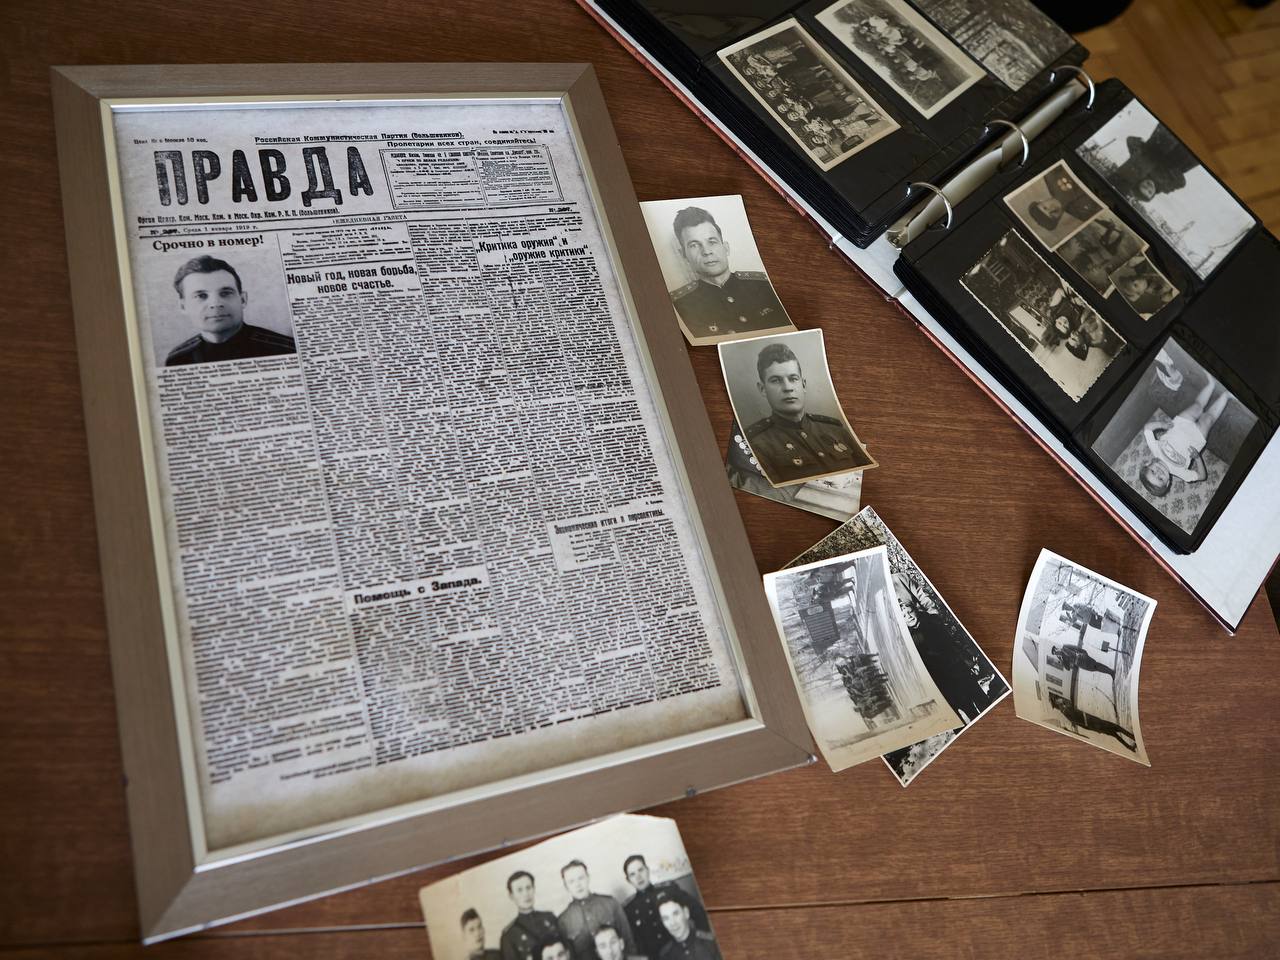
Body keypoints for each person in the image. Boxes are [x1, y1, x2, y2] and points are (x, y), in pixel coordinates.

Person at [742, 342, 865, 484]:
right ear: (763, 389)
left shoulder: (836, 430)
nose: (787, 388)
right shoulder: (756, 444)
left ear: (803, 384)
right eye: (776, 380)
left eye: (793, 379)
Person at [668, 207, 788, 338]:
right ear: (683, 254)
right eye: (694, 245)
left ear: (726, 248)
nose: (706, 251)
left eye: (712, 242)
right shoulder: (677, 305)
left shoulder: (766, 284)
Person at [165, 255, 296, 365]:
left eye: (225, 293)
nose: (215, 304)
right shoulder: (178, 359)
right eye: (201, 296)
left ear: (243, 300)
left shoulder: (286, 349)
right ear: (183, 306)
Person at [1139, 375, 1230, 496]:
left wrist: (1162, 425)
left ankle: (1211, 385)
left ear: (1147, 464)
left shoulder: (1155, 450)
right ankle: (1226, 395)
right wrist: (1197, 458)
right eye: (1160, 478)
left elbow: (1147, 428)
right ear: (1168, 482)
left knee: (1197, 406)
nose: (1159, 473)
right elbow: (1202, 476)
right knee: (1209, 418)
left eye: (1153, 472)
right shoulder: (1180, 473)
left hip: (1180, 425)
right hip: (1196, 438)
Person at [622, 855, 710, 960]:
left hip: (683, 953)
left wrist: (701, 943)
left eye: (641, 870)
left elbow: (698, 911)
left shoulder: (669, 890)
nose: (638, 877)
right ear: (628, 880)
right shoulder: (629, 909)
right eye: (632, 874)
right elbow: (636, 943)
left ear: (647, 870)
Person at [556, 861, 635, 960]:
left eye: (581, 878)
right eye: (571, 881)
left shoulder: (610, 903)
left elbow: (628, 940)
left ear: (588, 878)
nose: (578, 884)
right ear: (566, 886)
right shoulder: (564, 920)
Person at [1111, 124, 1197, 203]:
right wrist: (1170, 169)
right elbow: (1181, 183)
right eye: (1149, 192)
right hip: (1184, 156)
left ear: (1139, 182)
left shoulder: (1141, 166)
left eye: (1144, 187)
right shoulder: (1166, 187)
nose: (1149, 187)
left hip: (1164, 139)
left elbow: (1130, 140)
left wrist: (1142, 145)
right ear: (1153, 195)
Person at [1048, 692, 1137, 751]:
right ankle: (1132, 737)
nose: (1059, 698)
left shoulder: (1064, 710)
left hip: (1092, 724)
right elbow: (1077, 718)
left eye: (1057, 697)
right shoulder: (1066, 710)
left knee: (1115, 734)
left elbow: (1077, 718)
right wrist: (1090, 723)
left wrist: (1091, 727)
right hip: (1093, 722)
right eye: (1057, 698)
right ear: (1057, 702)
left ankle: (1130, 747)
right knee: (1116, 728)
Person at [501, 871, 561, 960]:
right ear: (511, 896)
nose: (526, 894)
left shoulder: (550, 918)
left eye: (528, 888)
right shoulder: (509, 935)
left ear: (534, 889)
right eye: (519, 890)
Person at [1027, 167, 1101, 234]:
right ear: (1058, 219)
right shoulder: (1083, 214)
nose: (1052, 209)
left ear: (1041, 200)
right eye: (1052, 216)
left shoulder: (1050, 176)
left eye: (1045, 208)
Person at [655, 890, 721, 960]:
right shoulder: (665, 955)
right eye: (666, 918)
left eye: (676, 914)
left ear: (686, 913)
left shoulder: (711, 943)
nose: (672, 923)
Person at [1051, 644, 1117, 678]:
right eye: (1055, 653)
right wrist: (1061, 660)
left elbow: (1075, 647)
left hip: (1081, 657)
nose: (1057, 652)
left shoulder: (1065, 646)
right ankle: (1110, 672)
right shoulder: (1063, 658)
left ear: (1057, 648)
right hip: (1081, 664)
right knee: (1096, 668)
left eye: (1056, 650)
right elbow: (1068, 668)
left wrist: (1084, 653)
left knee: (1096, 665)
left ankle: (1111, 672)